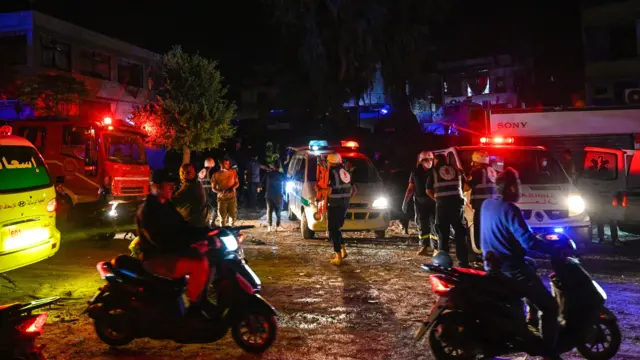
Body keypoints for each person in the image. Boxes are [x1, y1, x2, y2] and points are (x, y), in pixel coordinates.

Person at [480, 168, 561, 360]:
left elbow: (511, 233)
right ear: (510, 187)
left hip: (493, 265)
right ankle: (549, 353)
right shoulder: (510, 209)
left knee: (531, 263)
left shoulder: (487, 205)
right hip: (511, 269)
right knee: (551, 307)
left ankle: (531, 318)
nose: (520, 189)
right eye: (517, 184)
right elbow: (529, 242)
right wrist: (553, 249)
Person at [135, 169, 210, 314]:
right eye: (168, 184)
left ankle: (201, 301)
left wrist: (207, 232)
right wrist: (190, 246)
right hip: (156, 258)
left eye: (173, 184)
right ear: (156, 186)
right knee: (200, 264)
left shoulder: (167, 206)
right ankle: (194, 309)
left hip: (169, 254)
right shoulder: (147, 210)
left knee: (209, 256)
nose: (172, 187)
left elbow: (184, 227)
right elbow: (162, 242)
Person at [427, 153, 469, 268]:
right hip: (457, 205)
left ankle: (443, 262)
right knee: (460, 233)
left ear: (436, 161)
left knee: (443, 234)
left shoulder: (434, 171)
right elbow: (466, 186)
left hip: (442, 206)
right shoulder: (457, 170)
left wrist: (437, 199)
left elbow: (428, 190)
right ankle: (463, 261)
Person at [403, 151, 438, 256]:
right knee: (422, 225)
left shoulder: (436, 172)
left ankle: (436, 248)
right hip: (420, 202)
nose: (429, 162)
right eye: (426, 160)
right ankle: (424, 246)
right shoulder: (415, 173)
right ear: (421, 161)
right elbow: (410, 188)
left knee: (435, 224)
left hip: (434, 201)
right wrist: (405, 201)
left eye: (431, 160)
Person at [326, 152, 356, 266]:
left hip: (334, 204)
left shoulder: (331, 173)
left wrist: (319, 190)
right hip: (344, 205)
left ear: (331, 162)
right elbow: (354, 190)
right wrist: (346, 199)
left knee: (333, 229)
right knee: (337, 228)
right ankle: (343, 251)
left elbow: (328, 190)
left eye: (328, 161)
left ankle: (337, 256)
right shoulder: (346, 173)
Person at [466, 151, 497, 252]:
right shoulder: (492, 170)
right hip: (492, 203)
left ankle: (480, 248)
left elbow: (466, 187)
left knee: (479, 226)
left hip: (481, 203)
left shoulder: (477, 171)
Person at [213, 157, 240, 226]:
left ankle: (231, 230)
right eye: (226, 163)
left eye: (228, 163)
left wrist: (232, 188)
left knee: (233, 216)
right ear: (221, 164)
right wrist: (221, 191)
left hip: (232, 198)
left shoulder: (233, 172)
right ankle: (223, 231)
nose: (228, 165)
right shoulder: (216, 174)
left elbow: (237, 183)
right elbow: (213, 188)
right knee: (222, 218)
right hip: (222, 199)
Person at [261, 161, 285, 232]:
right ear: (279, 167)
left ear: (273, 167)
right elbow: (288, 180)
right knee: (278, 211)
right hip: (278, 195)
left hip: (269, 195)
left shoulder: (268, 174)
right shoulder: (281, 174)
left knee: (269, 210)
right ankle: (277, 227)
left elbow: (261, 181)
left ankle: (269, 227)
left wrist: (259, 187)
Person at [198, 158, 218, 227]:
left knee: (204, 209)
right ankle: (212, 223)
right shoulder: (211, 172)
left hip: (201, 193)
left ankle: (204, 223)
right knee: (215, 207)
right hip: (209, 193)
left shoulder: (201, 171)